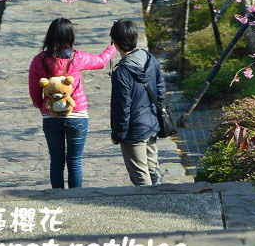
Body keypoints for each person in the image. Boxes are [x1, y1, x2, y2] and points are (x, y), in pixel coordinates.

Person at [29, 17, 115, 189]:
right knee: (75, 162)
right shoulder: (78, 58)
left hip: (51, 117)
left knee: (56, 161)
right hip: (77, 116)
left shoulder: (39, 60)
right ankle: (76, 199)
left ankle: (57, 197)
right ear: (71, 36)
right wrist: (111, 48)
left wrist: (41, 107)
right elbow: (101, 62)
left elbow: (34, 90)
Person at [109, 18, 165, 186]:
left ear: (115, 43)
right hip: (152, 124)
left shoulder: (122, 72)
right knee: (153, 169)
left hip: (133, 130)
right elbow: (161, 90)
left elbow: (122, 107)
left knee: (140, 177)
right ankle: (164, 201)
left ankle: (151, 209)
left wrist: (118, 134)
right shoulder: (150, 59)